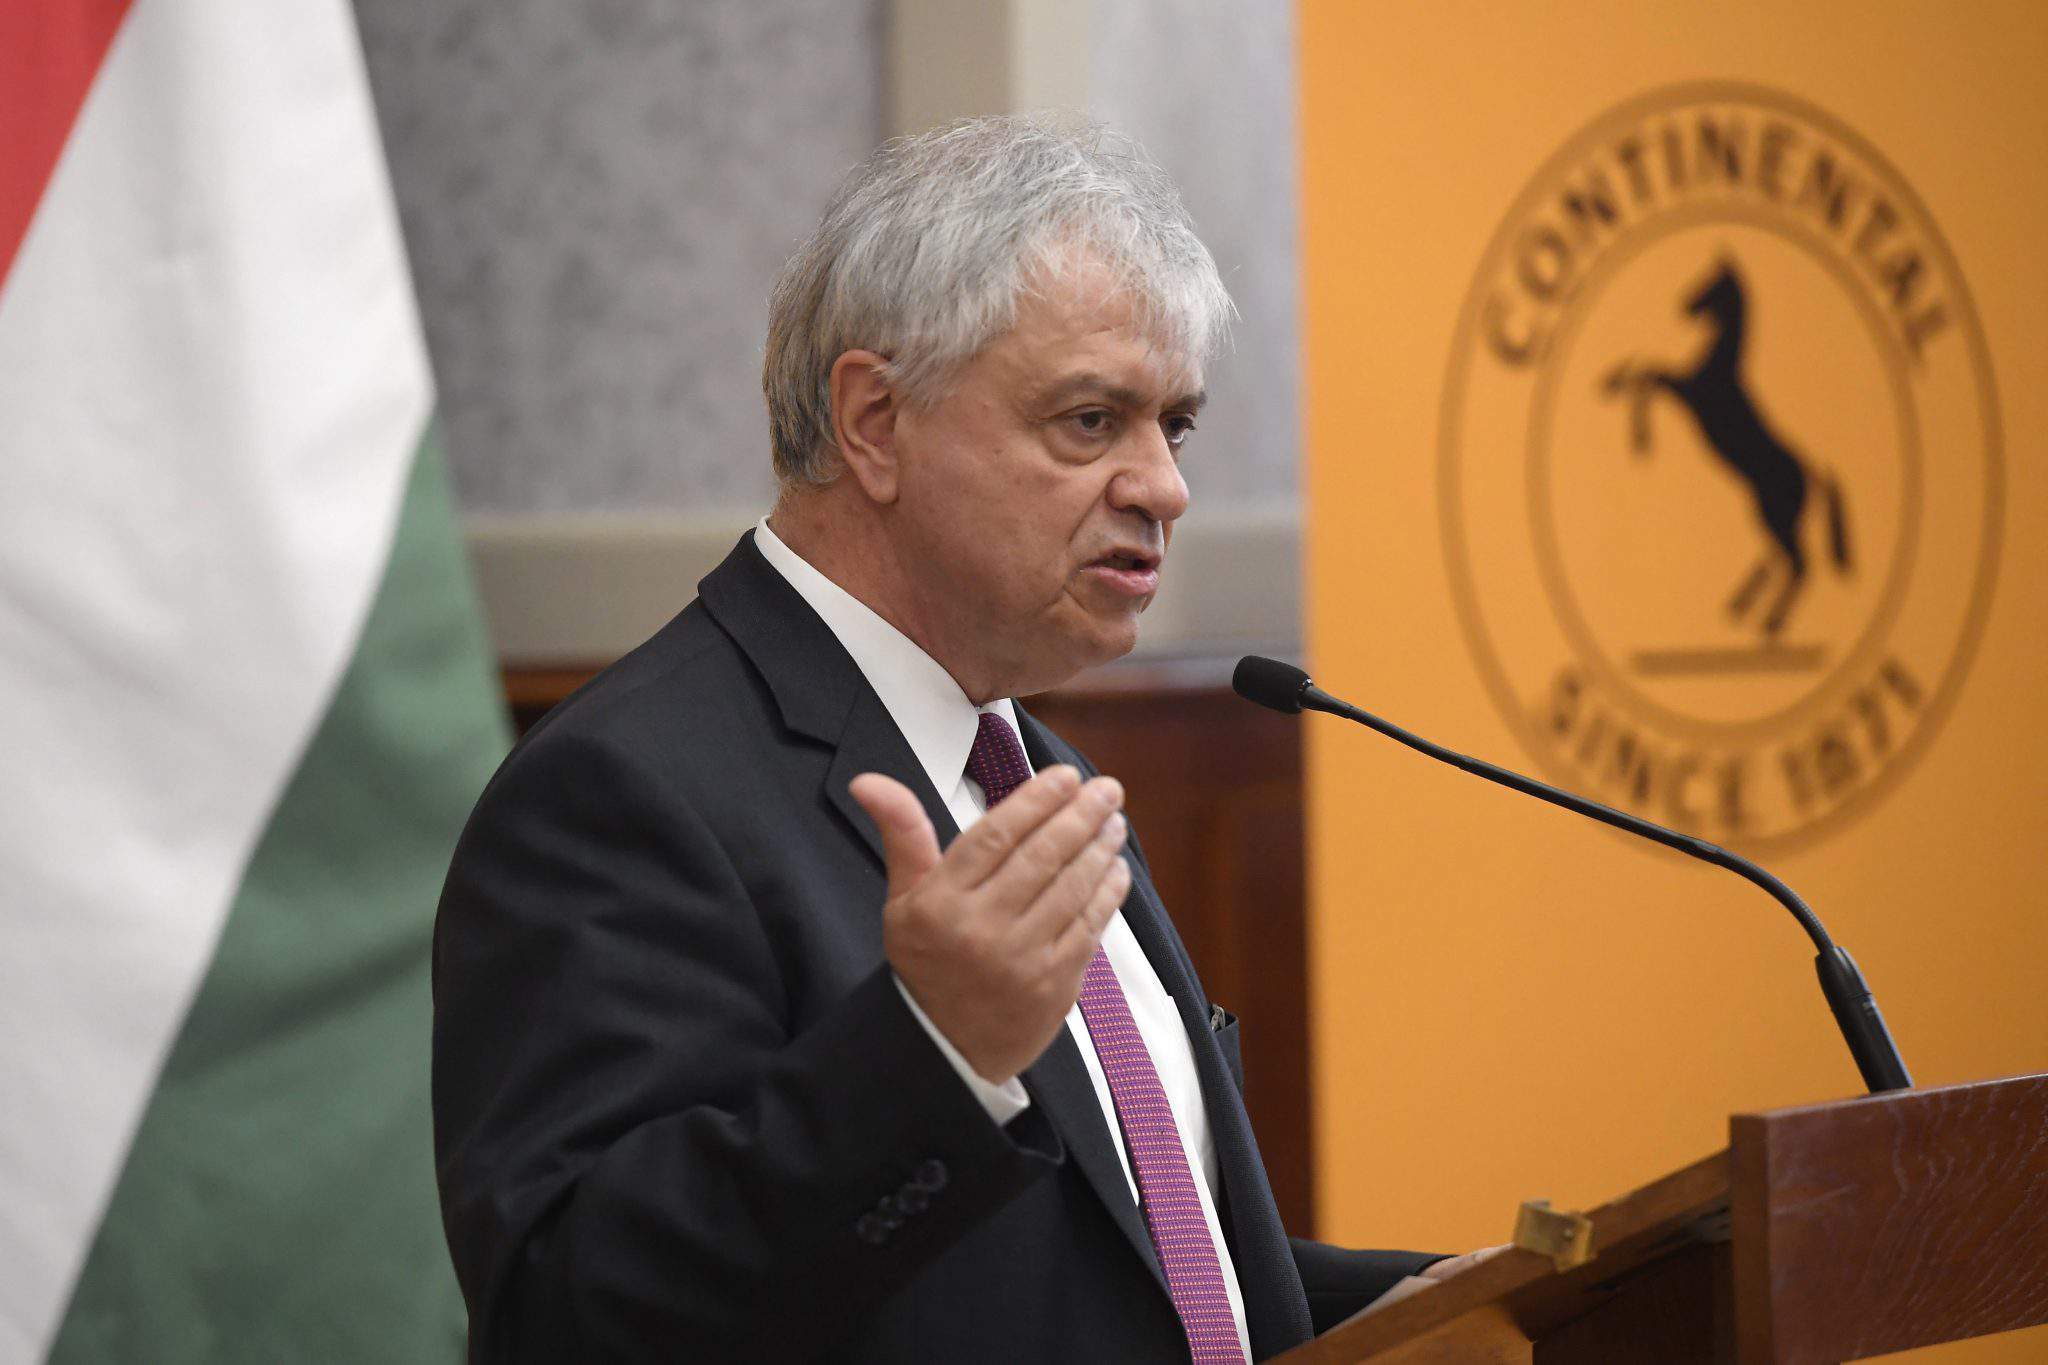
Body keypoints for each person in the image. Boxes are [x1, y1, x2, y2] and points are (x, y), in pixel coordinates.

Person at [433, 114, 1476, 1363]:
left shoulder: (1036, 772)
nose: (1163, 485)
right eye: (1090, 420)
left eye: (1174, 425)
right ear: (874, 422)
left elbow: (1114, 1267)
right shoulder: (621, 792)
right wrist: (930, 1053)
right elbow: (570, 1315)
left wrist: (1474, 1295)